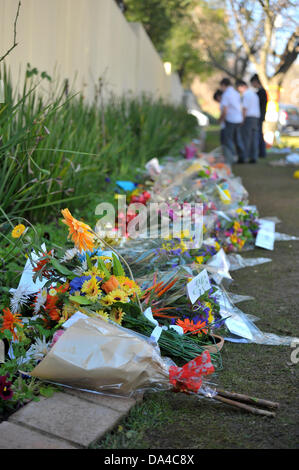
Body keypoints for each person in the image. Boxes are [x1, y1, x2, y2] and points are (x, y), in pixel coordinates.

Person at [219, 78, 246, 164]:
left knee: (228, 139)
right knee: (237, 139)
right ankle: (242, 156)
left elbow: (225, 110)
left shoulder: (226, 94)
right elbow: (240, 107)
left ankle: (232, 157)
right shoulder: (236, 93)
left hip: (230, 119)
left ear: (223, 85)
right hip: (238, 119)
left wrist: (221, 119)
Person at [236, 79, 261, 164]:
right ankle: (253, 157)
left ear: (242, 86)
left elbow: (244, 108)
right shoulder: (254, 94)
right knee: (254, 138)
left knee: (246, 138)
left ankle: (244, 157)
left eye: (239, 88)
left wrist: (242, 120)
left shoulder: (246, 95)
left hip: (248, 118)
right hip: (256, 118)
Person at [250, 74, 268, 158]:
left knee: (259, 134)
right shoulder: (261, 92)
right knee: (259, 134)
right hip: (260, 116)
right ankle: (261, 152)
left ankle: (262, 152)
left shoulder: (261, 92)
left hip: (259, 116)